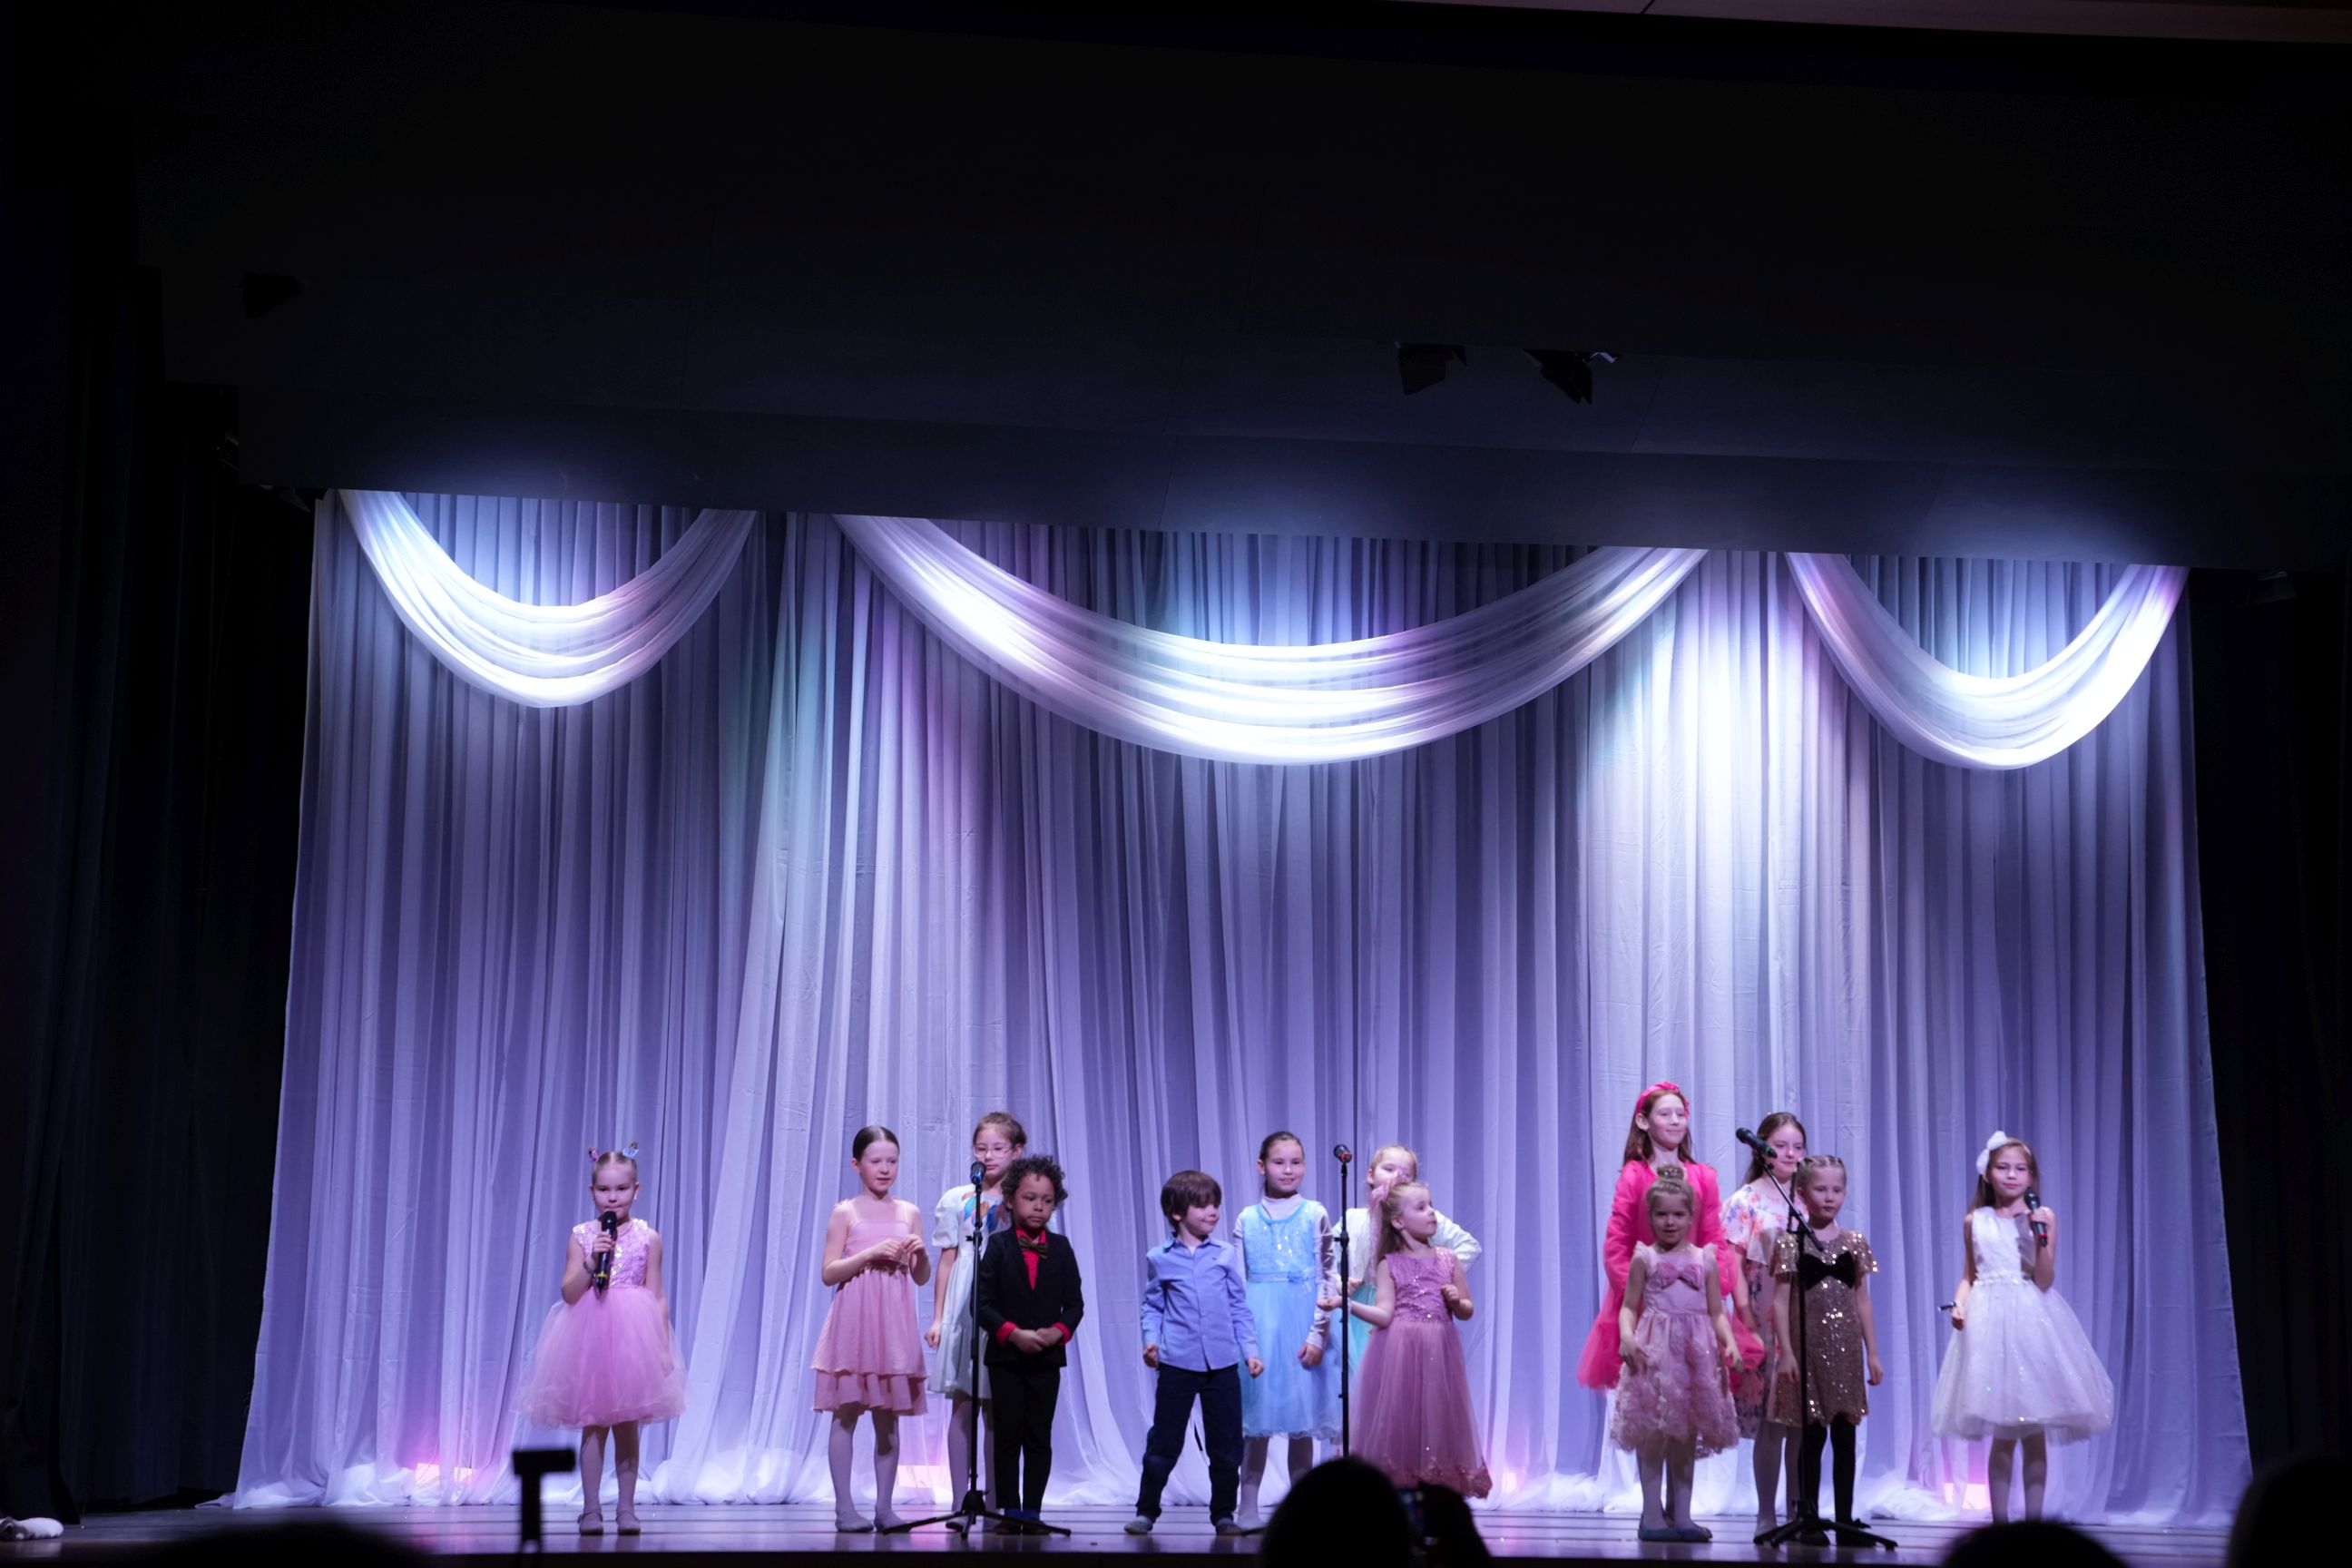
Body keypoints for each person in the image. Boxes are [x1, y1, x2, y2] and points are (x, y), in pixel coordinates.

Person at [1930, 1132, 2113, 1522]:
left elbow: (2044, 1280)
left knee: (2033, 1431)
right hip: (1988, 1325)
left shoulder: (2043, 1218)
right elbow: (1969, 1276)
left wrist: (2039, 1237)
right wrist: (1959, 1304)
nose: (2011, 1175)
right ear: (1987, 1174)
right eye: (2003, 1167)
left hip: (2031, 1321)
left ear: (2031, 1176)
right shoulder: (1975, 1221)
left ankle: (2033, 1525)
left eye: (2020, 1169)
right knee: (2002, 1429)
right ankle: (2000, 1524)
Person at [515, 1143, 687, 1536]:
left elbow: (656, 1295)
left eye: (621, 1189)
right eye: (604, 1190)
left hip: (632, 1342)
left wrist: (661, 1347)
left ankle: (626, 1508)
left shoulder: (648, 1237)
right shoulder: (582, 1235)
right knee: (593, 1424)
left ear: (636, 1190)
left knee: (628, 1425)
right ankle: (591, 1509)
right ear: (592, 1191)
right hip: (590, 1339)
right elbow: (569, 1293)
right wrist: (592, 1261)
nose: (613, 1197)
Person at [1578, 1082, 1762, 1391]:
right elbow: (1617, 1242)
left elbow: (1713, 1238)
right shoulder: (1635, 1175)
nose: (1675, 1121)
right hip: (1648, 1300)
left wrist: (1713, 1287)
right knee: (1652, 1389)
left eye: (1680, 1114)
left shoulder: (1702, 1177)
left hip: (1693, 1300)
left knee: (1693, 1389)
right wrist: (1639, 1291)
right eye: (1665, 1114)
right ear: (1643, 1121)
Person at [1610, 1167, 1741, 1542]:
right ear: (1650, 1216)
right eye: (1662, 1214)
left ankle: (1681, 1515)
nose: (1670, 1222)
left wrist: (1729, 1342)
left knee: (1686, 1433)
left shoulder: (1705, 1259)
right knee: (1654, 1432)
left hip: (1694, 1355)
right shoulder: (1644, 1259)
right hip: (1655, 1353)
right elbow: (1628, 1306)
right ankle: (1652, 1515)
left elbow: (1716, 1310)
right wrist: (1626, 1336)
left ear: (1691, 1216)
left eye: (1678, 1214)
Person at [811, 1124, 932, 1532]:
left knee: (888, 1416)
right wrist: (869, 1254)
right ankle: (844, 1508)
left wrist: (921, 1256)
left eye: (892, 1161)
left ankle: (884, 1507)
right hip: (854, 1321)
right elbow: (829, 1273)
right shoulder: (846, 1211)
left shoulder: (909, 1212)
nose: (885, 1168)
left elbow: (920, 1278)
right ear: (856, 1165)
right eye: (876, 1161)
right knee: (846, 1412)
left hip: (893, 1324)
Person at [1130, 1169, 1262, 1535]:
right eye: (1202, 1205)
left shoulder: (1225, 1255)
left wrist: (1250, 1350)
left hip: (1222, 1363)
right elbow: (1153, 1306)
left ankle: (1223, 1514)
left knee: (1226, 1444)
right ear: (1177, 1213)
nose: (1212, 1211)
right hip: (1178, 1362)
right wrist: (1150, 1341)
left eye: (1215, 1204)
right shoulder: (1160, 1258)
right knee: (1165, 1441)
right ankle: (1146, 1510)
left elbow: (1238, 1307)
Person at [1348, 1181, 1491, 1498]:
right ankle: (1400, 1497)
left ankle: (1435, 1494)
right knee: (1401, 1421)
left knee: (1437, 1419)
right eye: (1422, 1207)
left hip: (1438, 1352)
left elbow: (1467, 1310)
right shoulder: (1389, 1264)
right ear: (1398, 1221)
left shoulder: (1447, 1259)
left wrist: (1456, 1301)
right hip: (1401, 1352)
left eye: (1431, 1206)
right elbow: (1384, 1313)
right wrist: (1349, 1306)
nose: (1432, 1213)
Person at [1769, 1154, 1883, 1527]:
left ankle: (1846, 1519)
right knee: (1812, 1438)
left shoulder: (1854, 1243)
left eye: (1837, 1189)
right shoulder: (1790, 1243)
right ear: (1802, 1194)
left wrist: (1873, 1353)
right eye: (1821, 1189)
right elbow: (1780, 1302)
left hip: (1846, 1353)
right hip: (1808, 1352)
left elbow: (1862, 1301)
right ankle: (1810, 1519)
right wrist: (1786, 1353)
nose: (1830, 1196)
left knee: (1845, 1437)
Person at [1237, 1131, 1343, 1525]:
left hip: (1303, 1322)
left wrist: (1318, 1334)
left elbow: (1327, 1275)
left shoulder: (1314, 1212)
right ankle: (1247, 1506)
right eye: (1279, 1162)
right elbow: (1238, 1280)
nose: (1288, 1170)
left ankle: (1303, 1511)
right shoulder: (1247, 1218)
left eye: (1296, 1162)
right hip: (1262, 1324)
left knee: (1303, 1421)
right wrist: (1245, 1339)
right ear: (1261, 1166)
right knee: (1256, 1421)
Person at [974, 1152, 1083, 1533]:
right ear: (1010, 1200)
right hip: (1006, 1357)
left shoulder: (1061, 1248)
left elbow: (1075, 1304)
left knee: (1039, 1435)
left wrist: (1058, 1332)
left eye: (1047, 1200)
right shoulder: (998, 1246)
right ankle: (1010, 1509)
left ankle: (1033, 1510)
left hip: (1046, 1358)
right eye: (1030, 1198)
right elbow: (981, 1304)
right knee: (1007, 1435)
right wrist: (1013, 1333)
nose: (1039, 1206)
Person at [926, 1110, 1024, 1524]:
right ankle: (959, 1500)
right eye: (981, 1148)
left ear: (1017, 1151)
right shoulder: (957, 1198)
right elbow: (948, 1260)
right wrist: (937, 1317)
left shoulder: (1024, 1197)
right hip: (964, 1301)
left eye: (998, 1148)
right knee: (963, 1403)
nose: (988, 1155)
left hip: (1004, 1300)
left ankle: (998, 1500)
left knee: (998, 1408)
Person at [1721, 1110, 1807, 1531]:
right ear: (1762, 1149)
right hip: (1765, 1313)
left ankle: (1800, 1510)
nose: (1790, 1154)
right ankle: (1767, 1514)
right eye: (1781, 1146)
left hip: (1804, 1316)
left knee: (1803, 1421)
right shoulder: (1746, 1200)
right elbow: (1732, 1266)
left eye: (1798, 1147)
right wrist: (1746, 1322)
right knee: (1773, 1419)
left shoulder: (1806, 1198)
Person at [1340, 1144, 1480, 1379]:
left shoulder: (1423, 1215)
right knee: (1367, 1377)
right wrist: (1340, 1281)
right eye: (1389, 1169)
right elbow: (1326, 1254)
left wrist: (1434, 1277)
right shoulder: (1354, 1218)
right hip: (1367, 1306)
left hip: (1410, 1308)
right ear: (1370, 1175)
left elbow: (1469, 1246)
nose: (1396, 1176)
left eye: (1405, 1173)